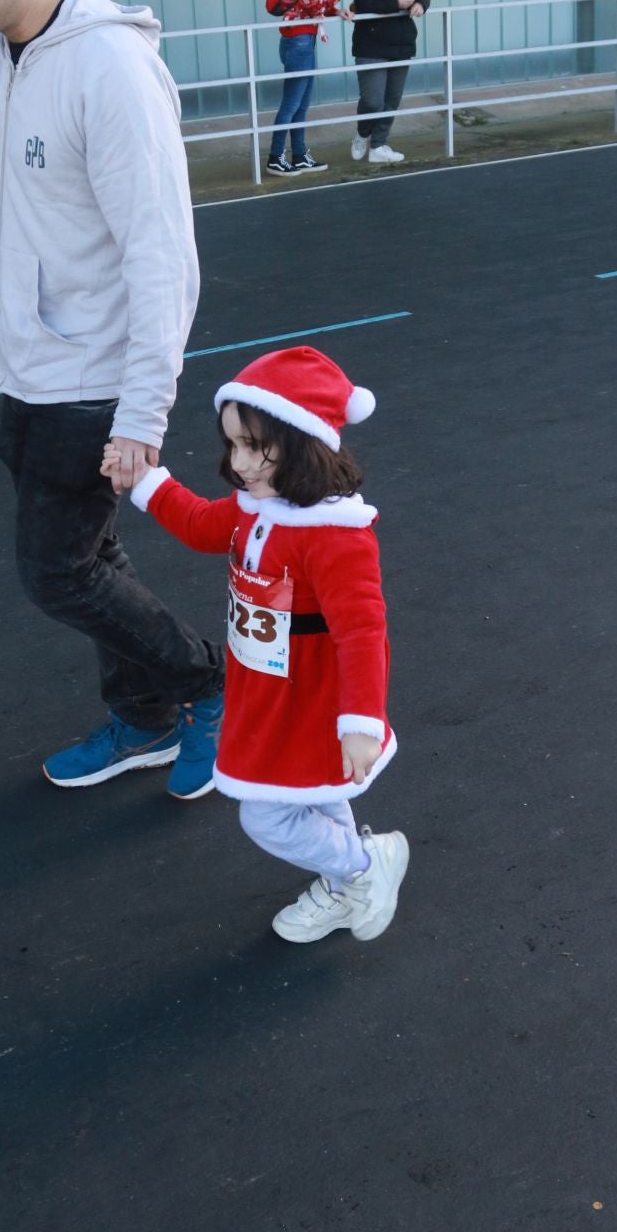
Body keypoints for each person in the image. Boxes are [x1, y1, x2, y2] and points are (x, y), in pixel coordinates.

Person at [0, 0, 226, 796]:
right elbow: (2, 215)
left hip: (96, 381)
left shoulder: (112, 69)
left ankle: (210, 688)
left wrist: (142, 415)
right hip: (29, 366)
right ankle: (143, 721)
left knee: (57, 574)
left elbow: (162, 256)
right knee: (92, 556)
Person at [113, 346, 408, 944]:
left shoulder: (335, 537)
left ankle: (359, 866)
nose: (239, 462)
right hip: (267, 687)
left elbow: (362, 631)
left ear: (301, 443)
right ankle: (349, 878)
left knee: (267, 815)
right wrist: (144, 481)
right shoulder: (260, 508)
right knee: (316, 799)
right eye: (232, 445)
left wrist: (361, 722)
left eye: (253, 446)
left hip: (311, 699)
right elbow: (200, 524)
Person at [266, 0, 354, 178]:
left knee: (301, 103)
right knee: (292, 103)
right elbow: (314, 3)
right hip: (298, 41)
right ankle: (276, 157)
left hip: (305, 38)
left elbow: (310, 5)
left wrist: (336, 9)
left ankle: (300, 154)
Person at [348, 0, 431, 166]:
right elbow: (362, 2)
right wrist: (395, 3)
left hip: (401, 43)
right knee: (373, 100)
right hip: (371, 43)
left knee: (391, 100)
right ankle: (363, 133)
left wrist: (420, 5)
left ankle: (379, 145)